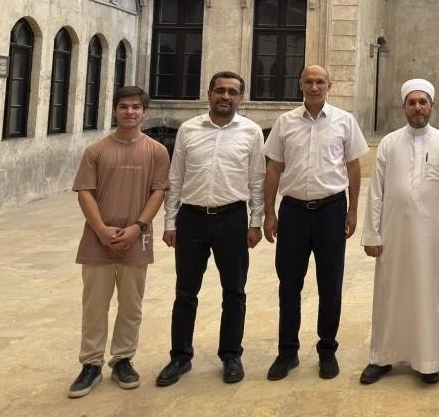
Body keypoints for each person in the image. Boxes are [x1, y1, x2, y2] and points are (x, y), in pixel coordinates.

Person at [156, 71, 266, 387]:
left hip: (232, 218)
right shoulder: (189, 130)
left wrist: (255, 222)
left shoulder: (251, 132)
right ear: (209, 93)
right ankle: (180, 356)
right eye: (220, 90)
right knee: (185, 292)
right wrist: (170, 221)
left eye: (232, 92)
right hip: (191, 219)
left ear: (240, 98)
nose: (225, 96)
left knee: (234, 291)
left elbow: (257, 180)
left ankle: (231, 355)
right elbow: (175, 178)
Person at [262, 64, 368, 381]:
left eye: (320, 81)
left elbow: (353, 167)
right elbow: (273, 168)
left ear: (329, 86)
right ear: (300, 85)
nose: (314, 86)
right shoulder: (285, 123)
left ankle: (327, 350)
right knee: (289, 285)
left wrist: (352, 210)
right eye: (309, 81)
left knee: (330, 284)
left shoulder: (344, 121)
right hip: (293, 212)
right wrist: (269, 212)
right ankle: (287, 352)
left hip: (330, 210)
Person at [359, 79, 439, 385]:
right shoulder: (389, 143)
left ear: (432, 106)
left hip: (433, 236)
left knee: (431, 294)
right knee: (389, 293)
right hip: (393, 233)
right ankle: (382, 357)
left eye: (423, 102)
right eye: (412, 102)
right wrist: (372, 235)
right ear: (404, 106)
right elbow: (375, 192)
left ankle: (430, 360)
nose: (418, 107)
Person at [67, 86, 170, 399]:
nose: (129, 112)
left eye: (136, 107)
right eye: (124, 106)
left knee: (131, 304)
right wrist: (100, 229)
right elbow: (86, 192)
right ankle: (91, 363)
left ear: (144, 112)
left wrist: (138, 227)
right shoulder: (96, 151)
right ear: (114, 110)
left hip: (136, 238)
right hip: (97, 239)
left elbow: (158, 191)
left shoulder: (156, 151)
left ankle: (123, 359)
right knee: (94, 305)